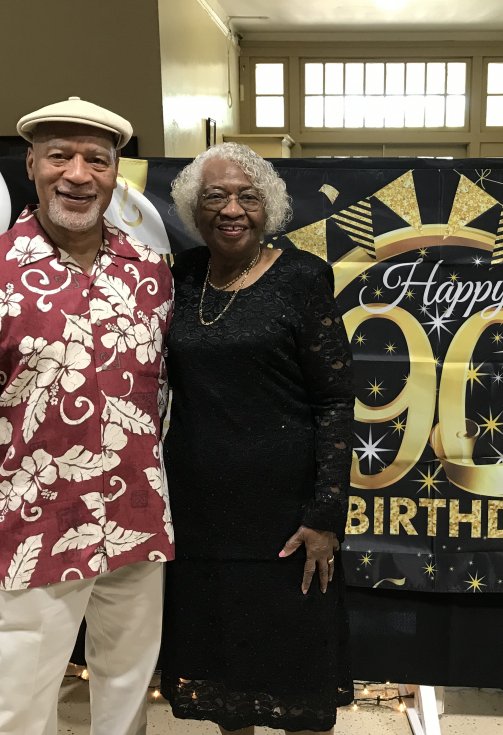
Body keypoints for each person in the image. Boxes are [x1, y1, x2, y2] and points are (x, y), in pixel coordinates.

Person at [0, 97, 174, 735]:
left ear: (116, 173)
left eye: (97, 160)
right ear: (31, 165)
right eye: (60, 156)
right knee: (18, 707)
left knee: (128, 690)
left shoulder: (151, 275)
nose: (78, 175)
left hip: (137, 521)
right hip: (33, 531)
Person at [160, 142, 354, 734]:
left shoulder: (301, 277)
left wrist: (325, 514)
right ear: (194, 210)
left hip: (286, 515)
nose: (231, 209)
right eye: (215, 196)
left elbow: (334, 400)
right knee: (223, 666)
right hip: (199, 510)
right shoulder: (180, 277)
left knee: (296, 672)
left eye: (247, 196)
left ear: (268, 207)